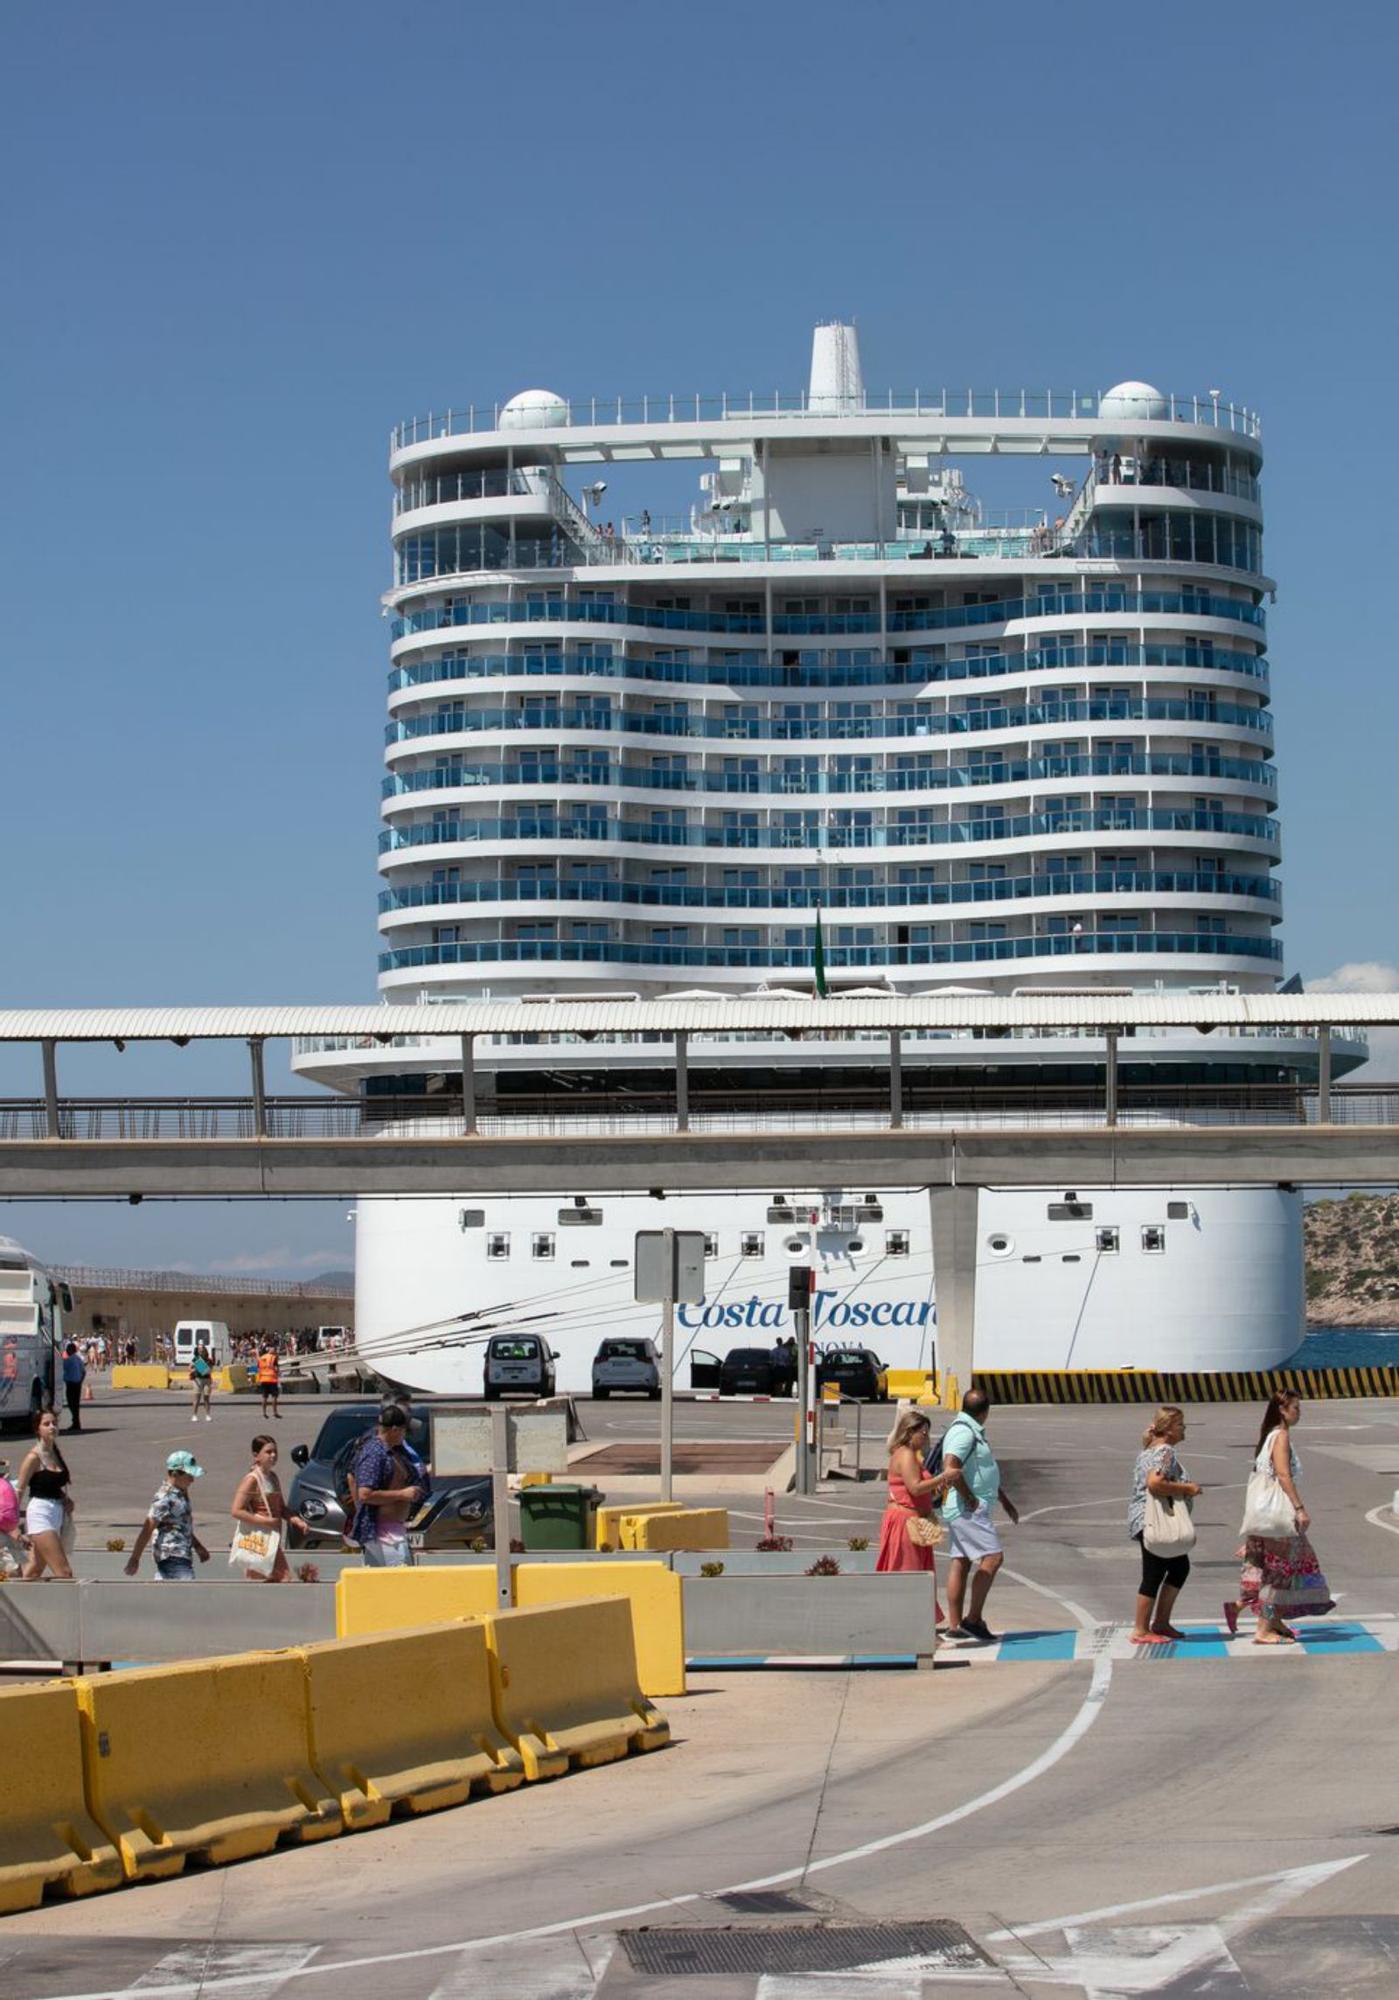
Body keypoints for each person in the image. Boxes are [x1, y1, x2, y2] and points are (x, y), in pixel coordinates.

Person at [1224, 1391, 1334, 1645]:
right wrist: (1299, 1508)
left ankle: (1271, 1621)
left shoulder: (1270, 1435)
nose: (1299, 1412)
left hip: (1267, 1518)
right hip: (1279, 1518)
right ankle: (1263, 1628)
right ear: (1283, 1410)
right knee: (1280, 1573)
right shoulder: (1281, 1436)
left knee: (1278, 1570)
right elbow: (1283, 1476)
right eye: (1296, 1408)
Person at [940, 1387, 1019, 1643]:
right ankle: (972, 1619)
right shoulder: (964, 1432)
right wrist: (970, 1497)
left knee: (961, 1561)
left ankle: (955, 1625)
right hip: (968, 1509)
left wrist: (1004, 1500)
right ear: (985, 1412)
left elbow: (982, 1470)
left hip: (965, 1506)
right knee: (993, 1558)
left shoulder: (969, 1430)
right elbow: (951, 1467)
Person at [1128, 1406, 1202, 1644]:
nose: (1184, 1429)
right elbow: (1155, 1484)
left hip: (1143, 1518)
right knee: (1154, 1572)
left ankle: (1160, 1622)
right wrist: (1187, 1489)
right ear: (1169, 1429)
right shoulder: (1165, 1452)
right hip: (1153, 1519)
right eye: (1180, 1425)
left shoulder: (1150, 1449)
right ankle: (1141, 1629)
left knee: (1179, 1567)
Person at [875, 1408, 956, 1622]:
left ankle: (914, 1623)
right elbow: (916, 1487)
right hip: (905, 1523)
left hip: (913, 1521)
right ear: (910, 1432)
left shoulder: (908, 1454)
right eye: (923, 1432)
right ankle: (908, 1624)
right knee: (910, 1573)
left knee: (918, 1572)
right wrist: (943, 1477)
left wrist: (937, 1484)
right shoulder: (907, 1455)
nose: (926, 1437)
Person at [348, 1404, 422, 1567]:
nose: (405, 1435)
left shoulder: (390, 1451)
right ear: (395, 1430)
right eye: (404, 1430)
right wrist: (402, 1494)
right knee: (398, 1583)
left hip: (392, 1532)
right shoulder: (375, 1453)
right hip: (384, 1536)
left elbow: (351, 1476)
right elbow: (365, 1494)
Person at [230, 1434, 307, 1582]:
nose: (273, 1455)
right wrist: (266, 1521)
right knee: (282, 1577)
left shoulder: (272, 1477)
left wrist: (297, 1521)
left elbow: (281, 1508)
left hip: (272, 1537)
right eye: (268, 1452)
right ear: (256, 1456)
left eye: (275, 1452)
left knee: (265, 1579)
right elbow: (236, 1510)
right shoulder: (252, 1480)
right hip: (259, 1537)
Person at [125, 1450, 210, 1582]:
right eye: (189, 1476)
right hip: (172, 1555)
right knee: (188, 1595)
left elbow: (180, 1525)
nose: (192, 1480)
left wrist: (197, 1545)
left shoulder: (180, 1494)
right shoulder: (164, 1497)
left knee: (169, 1593)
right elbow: (148, 1528)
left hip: (181, 1555)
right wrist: (135, 1558)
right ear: (176, 1474)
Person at [17, 1408, 74, 1580]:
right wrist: (12, 1526)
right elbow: (19, 1490)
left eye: (54, 1423)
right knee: (64, 1573)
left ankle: (13, 1604)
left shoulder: (55, 1453)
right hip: (40, 1513)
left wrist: (65, 1499)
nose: (52, 1427)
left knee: (34, 1570)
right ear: (38, 1429)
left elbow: (51, 1483)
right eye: (46, 1424)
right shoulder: (33, 1457)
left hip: (56, 1513)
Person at [61, 1342, 87, 1433]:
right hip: (77, 1383)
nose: (67, 1351)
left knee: (71, 1403)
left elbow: (61, 1368)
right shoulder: (79, 1359)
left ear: (71, 1350)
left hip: (71, 1384)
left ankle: (75, 1422)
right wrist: (80, 1381)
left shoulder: (68, 1360)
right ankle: (76, 1422)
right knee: (76, 1404)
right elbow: (84, 1372)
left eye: (68, 1349)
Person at [189, 1340, 214, 1422]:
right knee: (197, 1397)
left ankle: (207, 1415)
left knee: (206, 1397)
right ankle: (194, 1415)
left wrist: (205, 1369)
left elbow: (210, 1369)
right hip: (197, 1379)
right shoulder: (195, 1359)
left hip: (207, 1379)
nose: (201, 1350)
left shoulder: (208, 1359)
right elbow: (189, 1368)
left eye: (202, 1349)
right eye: (199, 1349)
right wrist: (195, 1369)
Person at [256, 1342, 281, 1419]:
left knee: (264, 1397)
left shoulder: (262, 1357)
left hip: (263, 1379)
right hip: (272, 1379)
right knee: (274, 1396)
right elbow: (276, 1369)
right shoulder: (274, 1357)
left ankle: (264, 1413)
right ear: (270, 1349)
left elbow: (259, 1368)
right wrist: (278, 1372)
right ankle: (275, 1413)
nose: (274, 1350)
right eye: (273, 1348)